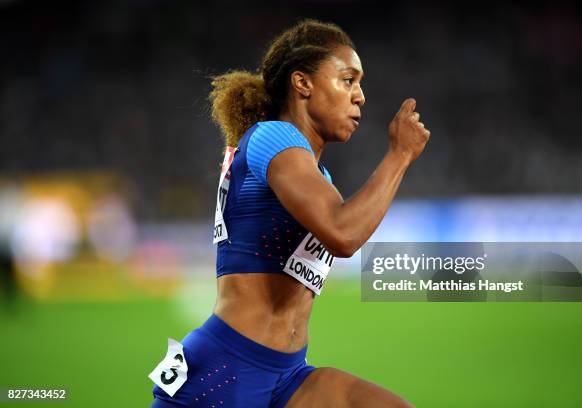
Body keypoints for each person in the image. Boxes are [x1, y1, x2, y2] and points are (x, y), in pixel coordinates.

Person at [150, 19, 429, 408]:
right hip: (225, 372)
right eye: (348, 80)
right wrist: (399, 155)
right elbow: (342, 233)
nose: (360, 96)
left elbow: (344, 225)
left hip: (288, 375)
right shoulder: (272, 137)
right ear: (303, 83)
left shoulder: (316, 176)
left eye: (360, 83)